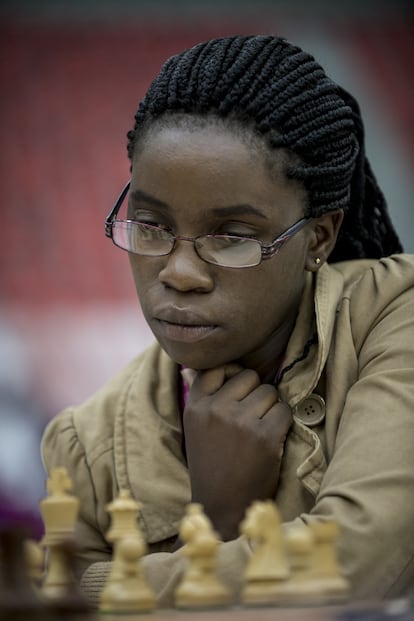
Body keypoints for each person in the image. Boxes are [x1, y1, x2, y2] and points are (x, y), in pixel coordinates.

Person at [41, 34, 414, 607]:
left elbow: (355, 559)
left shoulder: (395, 318)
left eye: (232, 236)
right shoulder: (84, 445)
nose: (179, 272)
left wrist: (102, 592)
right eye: (150, 226)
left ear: (320, 236)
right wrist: (214, 520)